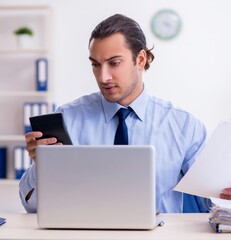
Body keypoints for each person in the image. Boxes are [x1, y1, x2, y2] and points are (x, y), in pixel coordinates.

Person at [19, 14, 231, 213]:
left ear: (140, 60)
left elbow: (212, 202)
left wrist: (224, 194)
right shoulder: (67, 118)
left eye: (114, 63)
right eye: (95, 64)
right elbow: (31, 207)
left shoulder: (184, 126)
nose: (103, 77)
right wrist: (42, 166)